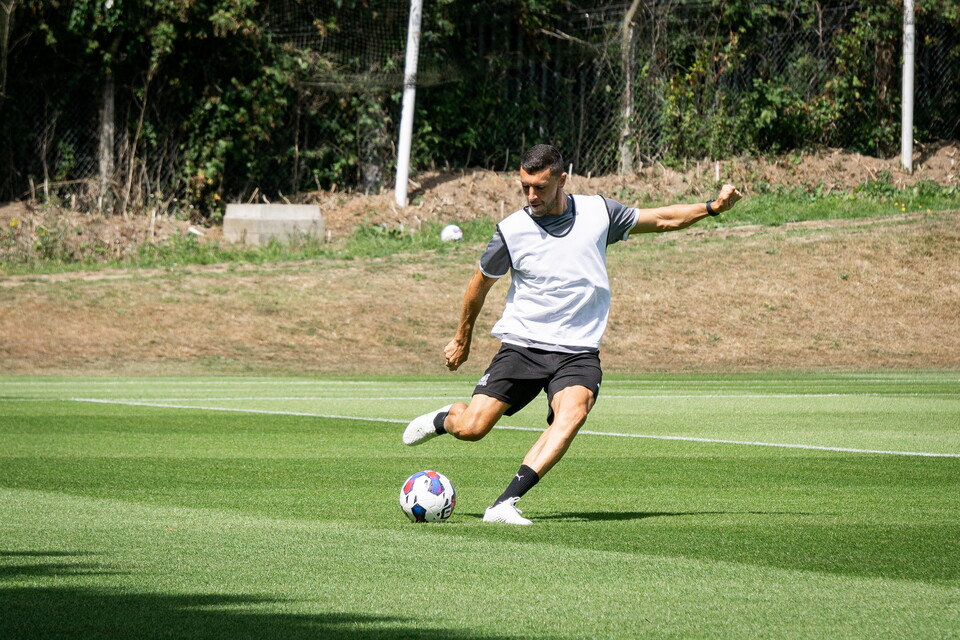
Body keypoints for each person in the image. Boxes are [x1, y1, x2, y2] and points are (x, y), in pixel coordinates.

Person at [403, 144, 742, 525]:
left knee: (573, 413)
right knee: (472, 428)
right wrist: (462, 338)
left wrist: (712, 207)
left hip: (578, 352)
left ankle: (503, 504)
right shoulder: (512, 230)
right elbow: (479, 284)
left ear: (562, 179)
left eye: (540, 187)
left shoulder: (599, 212)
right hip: (523, 345)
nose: (532, 196)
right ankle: (444, 419)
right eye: (525, 187)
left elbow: (663, 218)